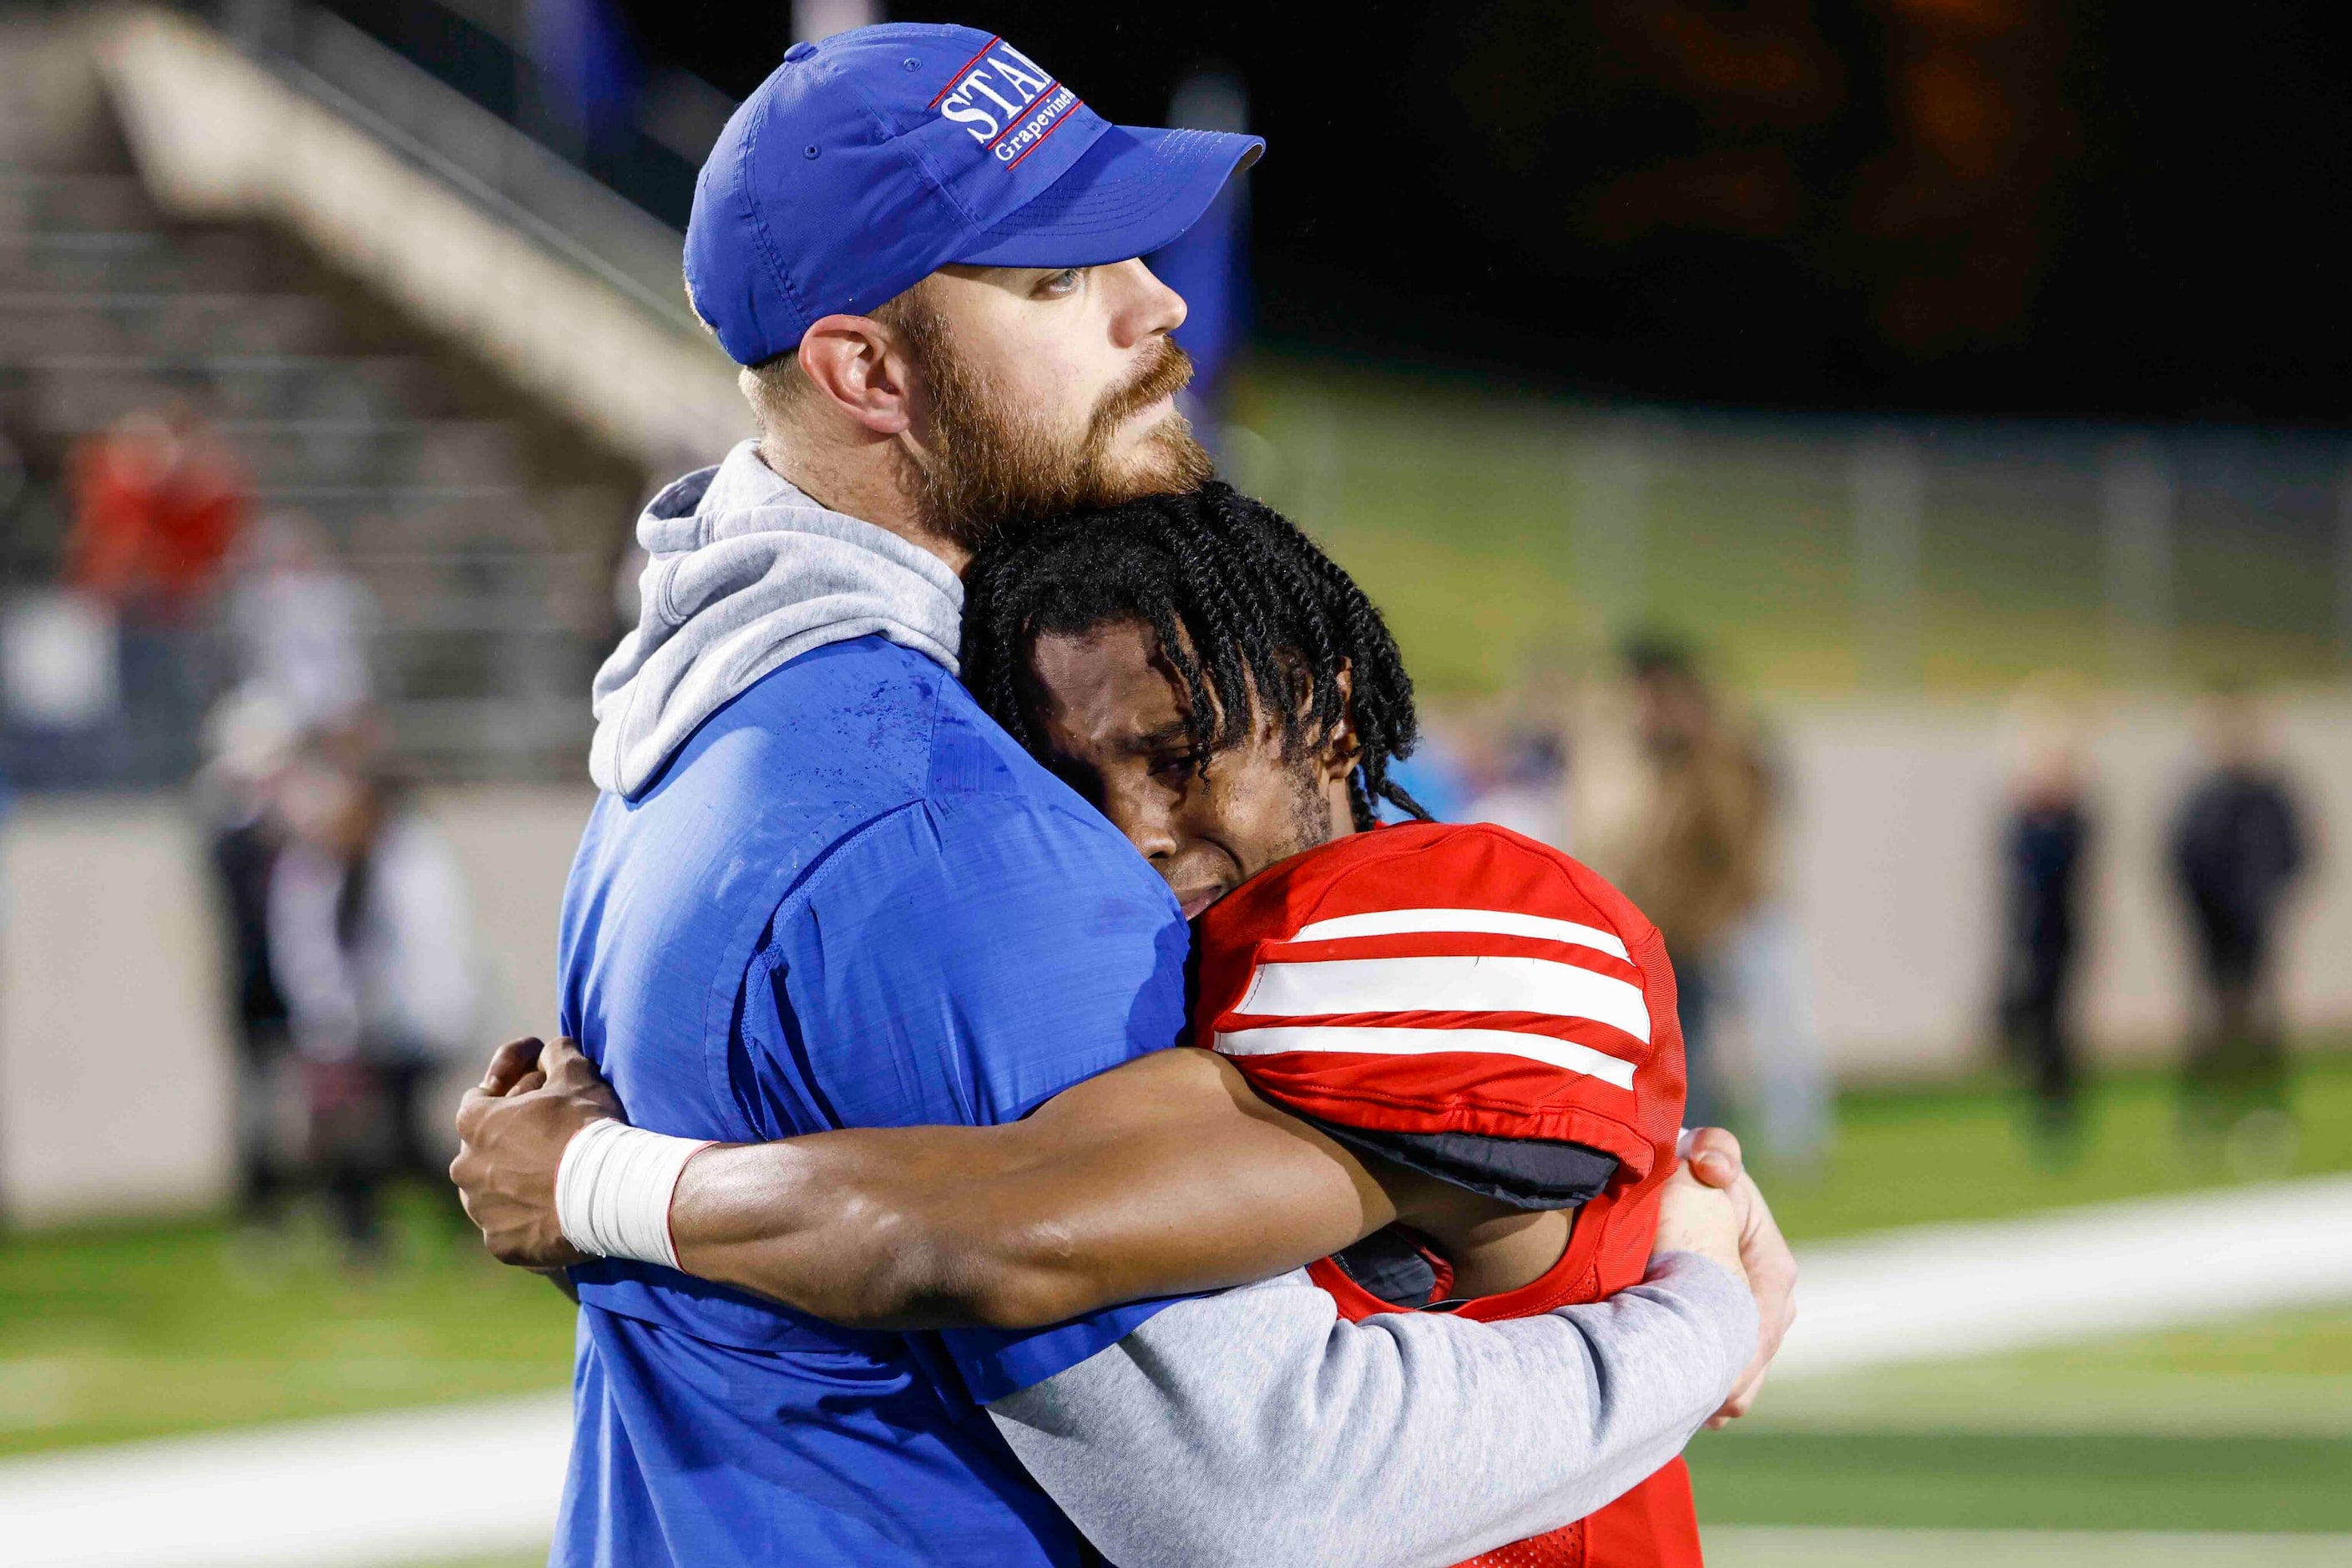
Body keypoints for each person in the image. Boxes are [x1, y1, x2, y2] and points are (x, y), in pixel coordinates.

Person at [453, 24, 1792, 1568]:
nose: (1158, 305)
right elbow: (1259, 1480)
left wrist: (597, 1183)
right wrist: (1699, 1308)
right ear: (866, 370)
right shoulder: (942, 814)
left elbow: (990, 1219)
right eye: (1053, 279)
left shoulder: (698, 722)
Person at [269, 738, 476, 1257]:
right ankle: (363, 1240)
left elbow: (430, 949)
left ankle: (458, 1225)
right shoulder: (322, 866)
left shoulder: (410, 860)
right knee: (351, 1134)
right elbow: (310, 952)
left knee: (396, 1136)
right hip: (349, 1027)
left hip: (402, 1025)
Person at [1576, 635, 1774, 1129]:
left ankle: (1700, 1146)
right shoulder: (1666, 764)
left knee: (1694, 1052)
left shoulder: (1715, 765)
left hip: (1694, 932)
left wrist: (1715, 917)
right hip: (1663, 929)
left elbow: (1731, 849)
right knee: (1677, 1050)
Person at [2170, 685, 2309, 1139]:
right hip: (2211, 929)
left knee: (2259, 1018)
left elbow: (2293, 854)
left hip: (2256, 927)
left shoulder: (2270, 796)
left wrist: (2266, 903)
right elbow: (2180, 861)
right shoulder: (2200, 798)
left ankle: (2264, 1107)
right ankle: (2207, 1109)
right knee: (2211, 1020)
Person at [1996, 718, 2093, 1141]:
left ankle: (2061, 1105)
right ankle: (2039, 1099)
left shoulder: (2072, 821)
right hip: (2027, 936)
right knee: (2032, 1022)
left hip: (2061, 936)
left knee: (2059, 1024)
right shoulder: (2025, 821)